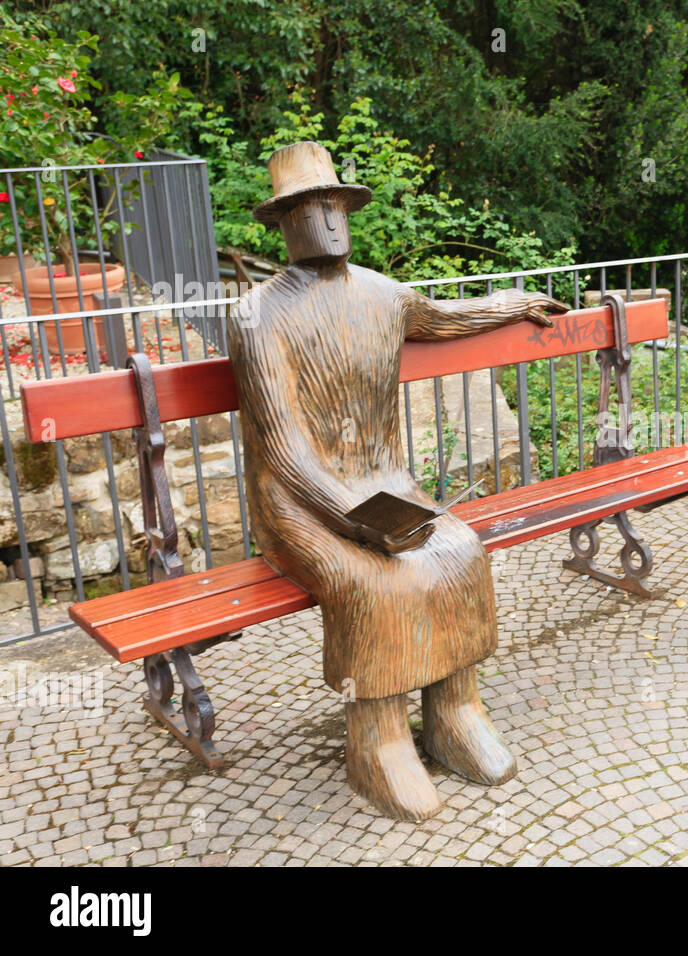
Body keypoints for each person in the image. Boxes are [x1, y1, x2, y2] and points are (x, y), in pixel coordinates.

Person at [229, 141, 566, 820]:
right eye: (307, 208)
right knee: (373, 582)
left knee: (459, 551)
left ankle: (455, 711)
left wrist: (518, 300)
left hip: (385, 483)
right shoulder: (256, 314)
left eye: (333, 204)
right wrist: (353, 518)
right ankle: (378, 741)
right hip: (298, 501)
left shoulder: (384, 294)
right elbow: (286, 449)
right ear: (284, 221)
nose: (325, 219)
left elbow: (449, 318)